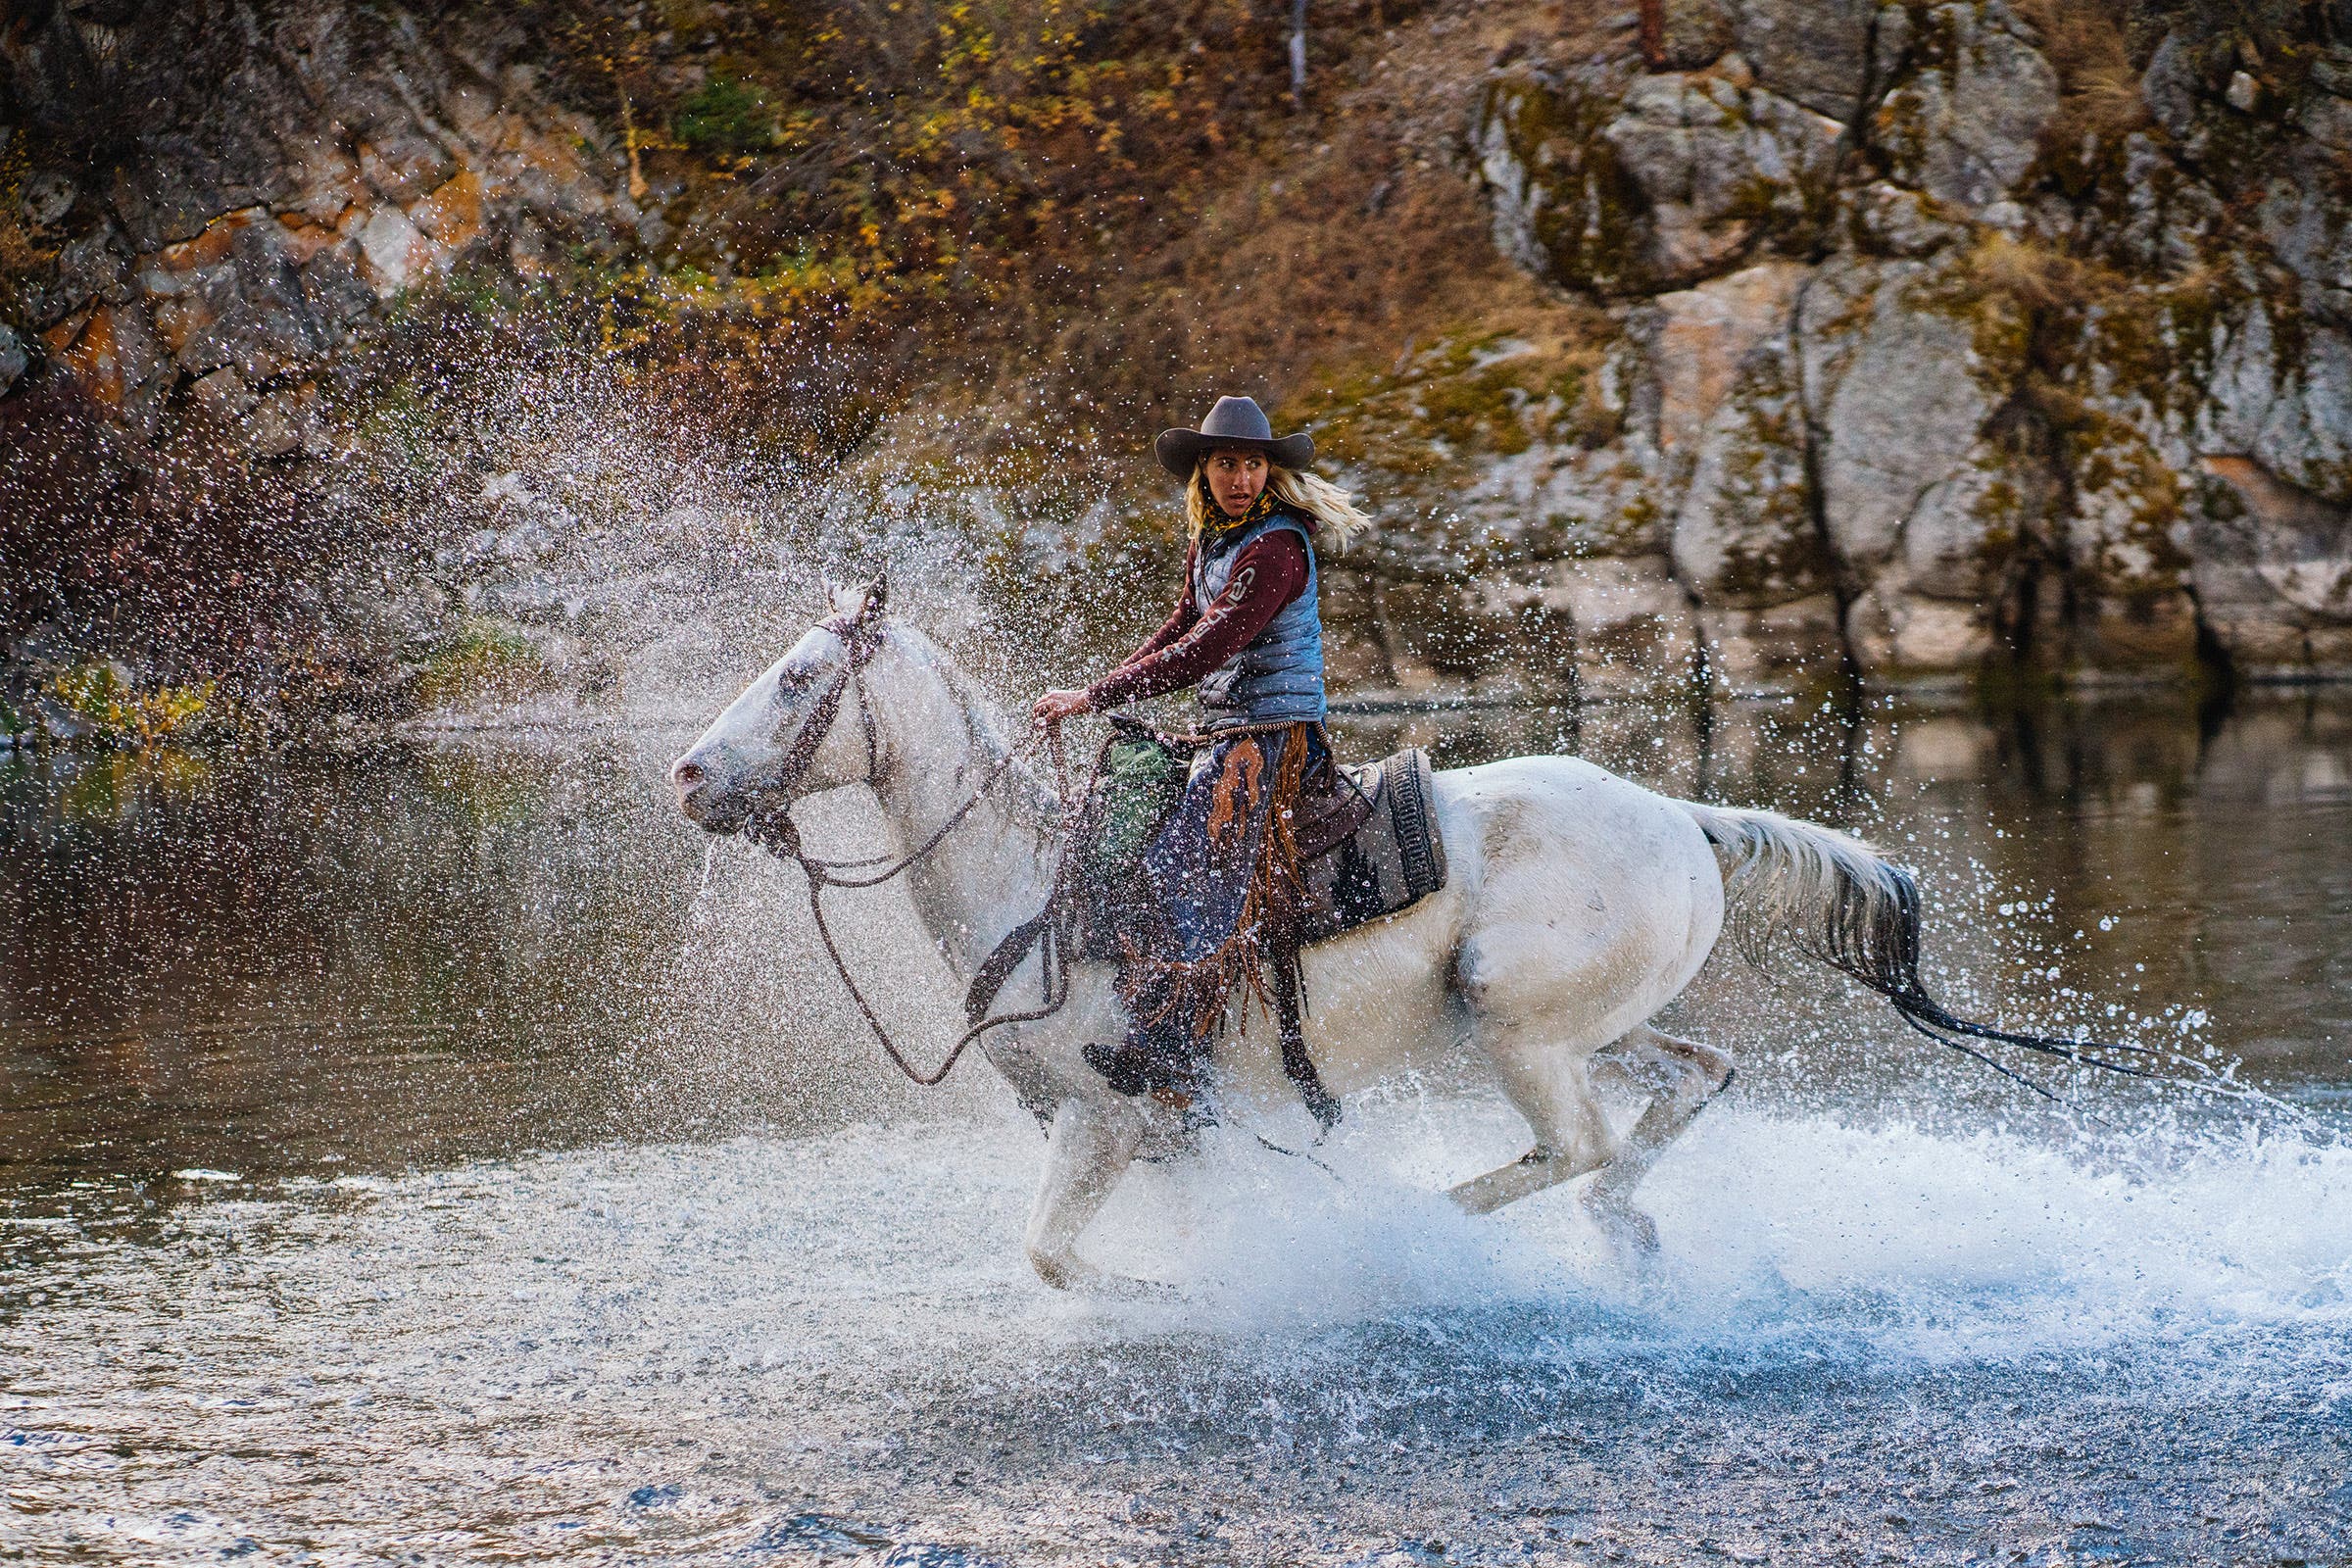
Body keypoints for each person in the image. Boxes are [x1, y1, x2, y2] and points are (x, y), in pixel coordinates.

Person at [1031, 395, 1371, 1117]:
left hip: (1273, 739)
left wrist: (1093, 697)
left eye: (1252, 463)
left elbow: (1209, 648)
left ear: (1268, 472)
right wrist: (1094, 695)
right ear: (1204, 474)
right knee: (1130, 791)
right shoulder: (1213, 544)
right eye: (1226, 463)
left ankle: (1175, 1042)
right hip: (1227, 732)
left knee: (1185, 865)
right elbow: (1177, 630)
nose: (1241, 477)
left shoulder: (1278, 548)